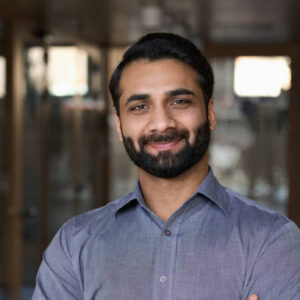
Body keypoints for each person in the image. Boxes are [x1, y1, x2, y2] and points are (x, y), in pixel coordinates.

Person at [32, 33, 300, 300]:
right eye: (139, 106)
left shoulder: (272, 240)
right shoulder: (74, 244)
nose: (161, 123)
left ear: (210, 114)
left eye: (179, 102)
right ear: (119, 124)